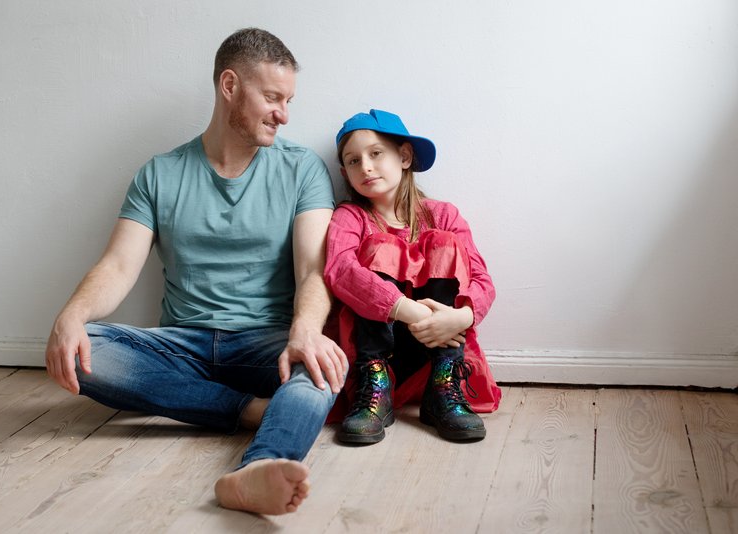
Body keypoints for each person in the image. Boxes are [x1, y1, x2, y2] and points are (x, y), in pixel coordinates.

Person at [44, 28, 348, 515]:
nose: (284, 114)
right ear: (229, 86)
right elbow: (119, 265)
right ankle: (253, 412)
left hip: (266, 343)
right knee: (89, 348)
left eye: (288, 100)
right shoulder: (159, 174)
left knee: (323, 369)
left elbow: (314, 269)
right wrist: (71, 315)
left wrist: (306, 330)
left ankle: (257, 468)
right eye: (272, 97)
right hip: (180, 345)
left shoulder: (302, 170)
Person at [324, 109, 501, 444]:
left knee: (443, 243)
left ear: (404, 156)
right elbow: (340, 271)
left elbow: (482, 280)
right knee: (381, 246)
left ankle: (443, 386)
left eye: (376, 154)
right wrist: (410, 310)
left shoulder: (443, 215)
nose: (365, 167)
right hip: (374, 345)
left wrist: (460, 317)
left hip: (440, 341)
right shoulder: (351, 217)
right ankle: (375, 386)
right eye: (352, 161)